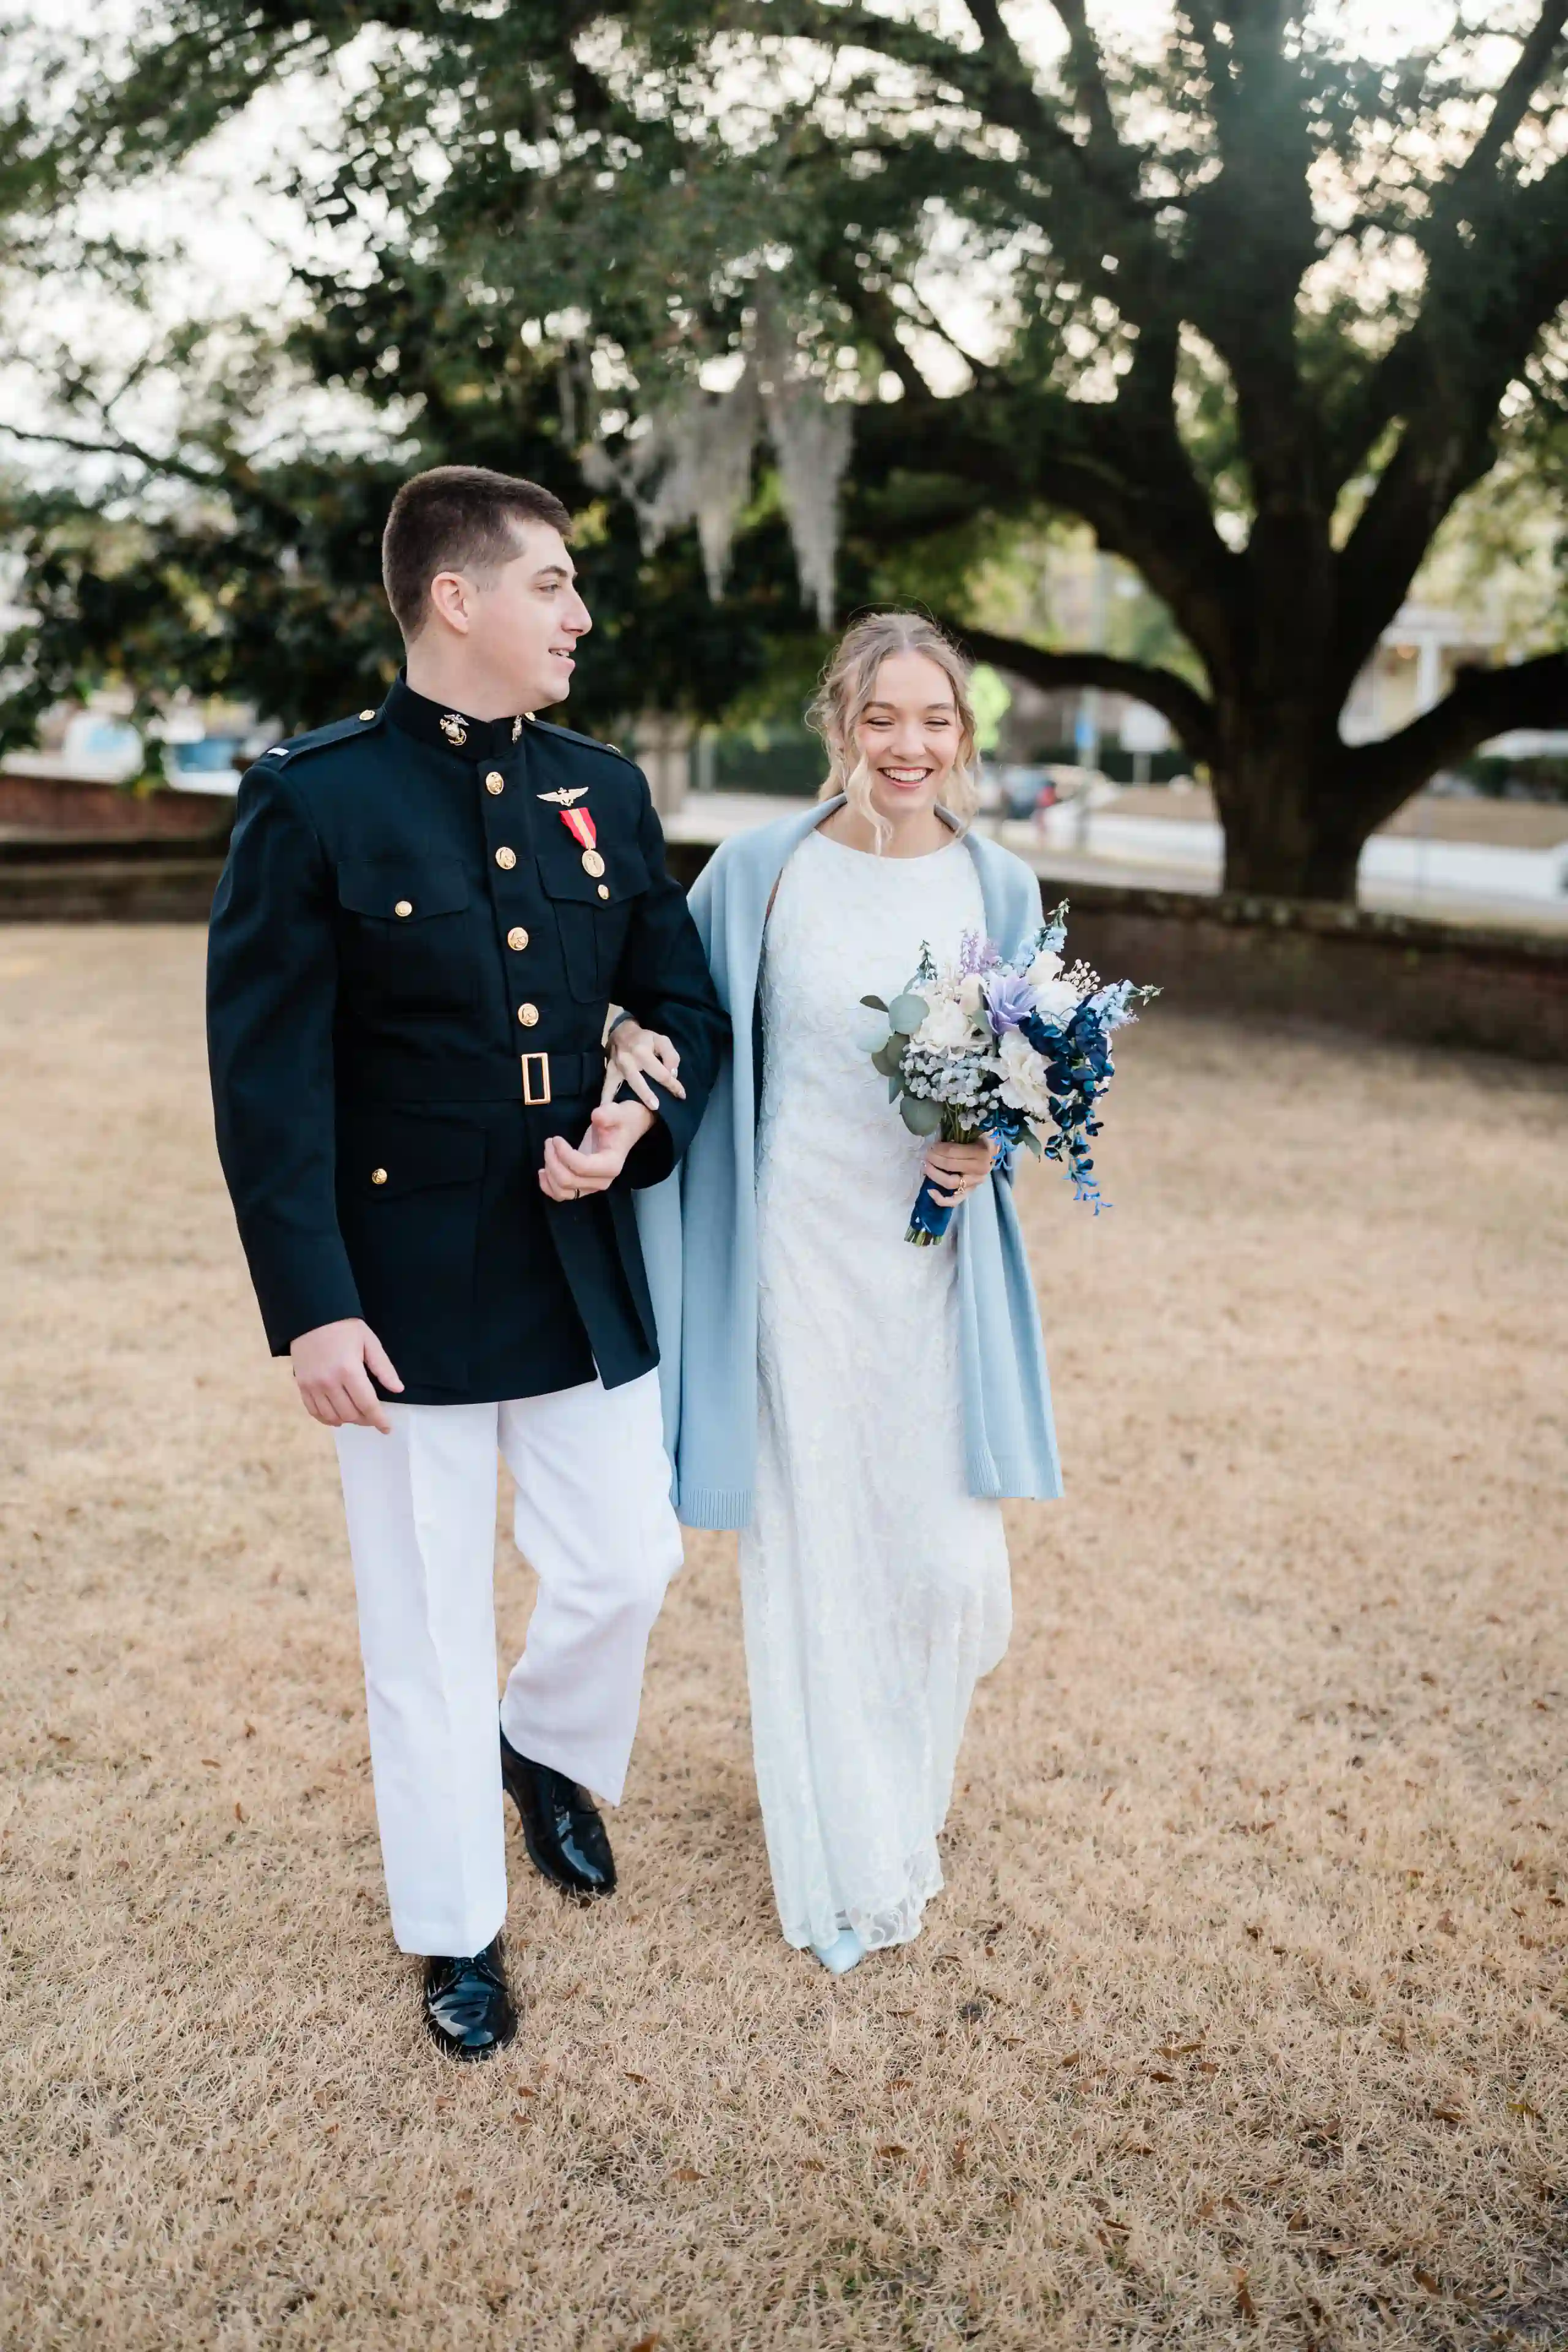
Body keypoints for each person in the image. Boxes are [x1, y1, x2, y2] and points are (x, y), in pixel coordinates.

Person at [206, 466, 726, 2058]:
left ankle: (543, 1743)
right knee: (425, 1629)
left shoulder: (601, 789)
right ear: (456, 596)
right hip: (401, 1284)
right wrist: (312, 1306)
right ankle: (455, 1931)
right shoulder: (315, 798)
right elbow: (267, 1078)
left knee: (628, 1563)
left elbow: (682, 1004)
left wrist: (636, 1120)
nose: (580, 615)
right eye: (552, 584)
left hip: (570, 1259)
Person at [614, 613, 1061, 1973]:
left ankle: (899, 1782)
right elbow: (676, 1016)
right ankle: (845, 1843)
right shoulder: (760, 874)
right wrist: (619, 1039)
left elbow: (1022, 1074)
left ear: (962, 736)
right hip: (793, 1255)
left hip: (931, 1271)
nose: (907, 746)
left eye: (934, 720)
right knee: (820, 1549)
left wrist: (987, 1143)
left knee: (945, 1566)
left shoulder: (1000, 887)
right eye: (882, 718)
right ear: (840, 725)